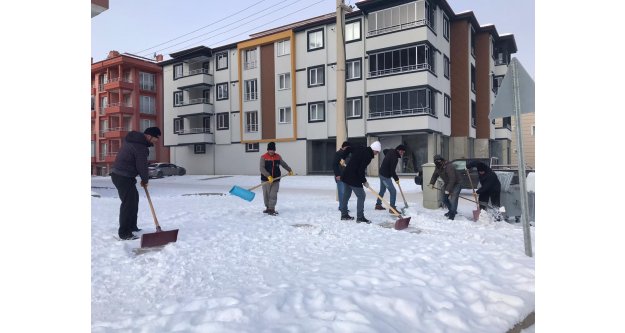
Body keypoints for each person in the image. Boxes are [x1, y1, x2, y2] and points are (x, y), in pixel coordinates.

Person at [110, 127, 161, 240]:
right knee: (128, 204)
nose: (156, 141)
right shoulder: (140, 146)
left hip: (123, 176)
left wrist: (143, 179)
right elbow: (141, 166)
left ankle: (132, 226)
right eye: (155, 138)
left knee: (133, 200)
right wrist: (145, 180)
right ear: (149, 136)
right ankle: (124, 233)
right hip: (123, 176)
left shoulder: (135, 141)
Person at [339, 141, 382, 223]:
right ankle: (360, 217)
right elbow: (360, 170)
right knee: (361, 195)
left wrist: (343, 158)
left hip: (346, 174)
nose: (376, 154)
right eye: (377, 152)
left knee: (346, 195)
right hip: (353, 177)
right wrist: (364, 181)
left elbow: (348, 149)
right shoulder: (367, 156)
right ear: (374, 149)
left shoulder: (360, 147)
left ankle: (344, 215)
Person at [260, 141, 294, 216]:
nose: (271, 151)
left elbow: (283, 164)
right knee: (266, 194)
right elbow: (262, 168)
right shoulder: (263, 157)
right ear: (268, 150)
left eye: (273, 150)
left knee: (273, 194)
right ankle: (268, 207)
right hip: (266, 180)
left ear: (275, 150)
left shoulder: (278, 157)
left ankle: (271, 209)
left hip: (276, 179)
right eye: (270, 150)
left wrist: (289, 170)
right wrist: (268, 176)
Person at [428, 154, 462, 220]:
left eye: (439, 161)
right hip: (448, 183)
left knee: (453, 199)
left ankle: (452, 214)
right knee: (444, 199)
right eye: (436, 162)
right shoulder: (438, 167)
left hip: (457, 183)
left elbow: (452, 179)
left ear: (442, 160)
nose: (437, 163)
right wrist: (431, 183)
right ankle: (452, 210)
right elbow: (435, 175)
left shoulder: (449, 166)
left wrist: (448, 189)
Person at [375, 144, 406, 213]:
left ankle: (378, 205)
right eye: (401, 151)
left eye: (403, 152)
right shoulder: (395, 158)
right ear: (398, 150)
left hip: (381, 173)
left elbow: (384, 151)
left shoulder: (391, 151)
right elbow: (392, 171)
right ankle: (392, 209)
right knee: (393, 191)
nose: (402, 153)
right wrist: (396, 179)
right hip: (385, 177)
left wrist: (387, 157)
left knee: (382, 190)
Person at [333, 141, 352, 211]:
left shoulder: (348, 154)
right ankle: (342, 207)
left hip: (347, 176)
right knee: (342, 192)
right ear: (345, 147)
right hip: (340, 176)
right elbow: (334, 165)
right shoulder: (338, 154)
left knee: (347, 193)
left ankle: (344, 206)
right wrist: (337, 175)